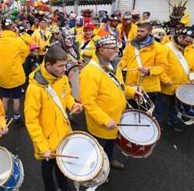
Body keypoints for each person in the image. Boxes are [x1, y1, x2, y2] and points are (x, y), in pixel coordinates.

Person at [25, 46, 83, 191]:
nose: (64, 69)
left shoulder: (62, 78)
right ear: (48, 65)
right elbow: (32, 121)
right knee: (47, 169)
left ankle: (64, 188)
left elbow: (66, 96)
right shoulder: (34, 89)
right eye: (60, 66)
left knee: (62, 167)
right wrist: (42, 146)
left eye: (65, 65)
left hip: (63, 134)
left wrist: (73, 105)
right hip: (47, 141)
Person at [80, 35, 139, 173]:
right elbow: (88, 103)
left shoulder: (113, 65)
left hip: (116, 117)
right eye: (113, 48)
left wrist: (132, 92)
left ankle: (110, 159)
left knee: (111, 142)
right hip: (102, 122)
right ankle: (97, 171)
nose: (117, 51)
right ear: (101, 50)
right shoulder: (89, 72)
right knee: (98, 149)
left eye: (117, 48)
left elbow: (120, 87)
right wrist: (105, 120)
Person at [157, 28, 194, 132]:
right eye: (187, 41)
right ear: (180, 37)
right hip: (167, 84)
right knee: (160, 104)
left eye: (191, 42)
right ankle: (157, 123)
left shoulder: (188, 47)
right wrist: (165, 80)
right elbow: (159, 67)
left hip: (181, 84)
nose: (189, 43)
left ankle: (173, 121)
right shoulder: (166, 48)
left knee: (175, 105)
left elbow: (191, 62)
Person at [119, 21, 167, 109]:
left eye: (142, 31)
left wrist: (149, 71)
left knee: (146, 114)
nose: (139, 33)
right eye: (138, 31)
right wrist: (117, 68)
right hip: (131, 86)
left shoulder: (159, 47)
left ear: (149, 32)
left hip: (149, 88)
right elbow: (124, 59)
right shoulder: (131, 45)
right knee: (131, 112)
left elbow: (162, 67)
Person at [0, 19, 29, 124]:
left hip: (3, 75)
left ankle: (5, 118)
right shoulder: (17, 41)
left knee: (5, 98)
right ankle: (17, 117)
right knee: (16, 98)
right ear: (13, 28)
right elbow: (26, 52)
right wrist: (19, 61)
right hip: (16, 75)